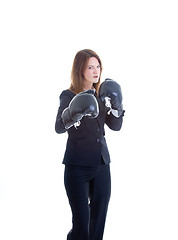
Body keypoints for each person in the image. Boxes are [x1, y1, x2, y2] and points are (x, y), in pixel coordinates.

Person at [55, 49, 125, 240]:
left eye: (98, 66)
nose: (96, 71)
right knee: (81, 224)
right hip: (77, 167)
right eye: (90, 67)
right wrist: (73, 113)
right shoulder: (68, 95)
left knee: (98, 222)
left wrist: (117, 106)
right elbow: (59, 128)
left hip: (102, 165)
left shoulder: (103, 93)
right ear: (80, 70)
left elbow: (115, 126)